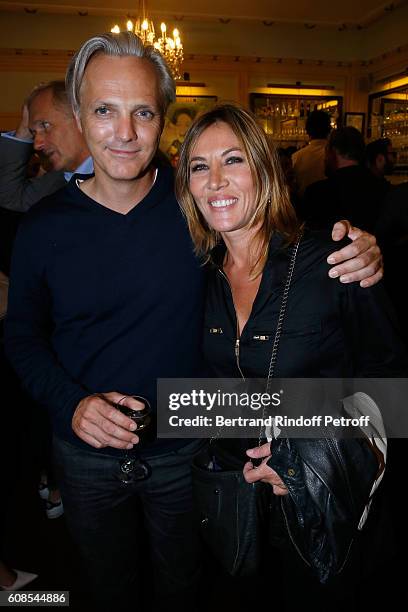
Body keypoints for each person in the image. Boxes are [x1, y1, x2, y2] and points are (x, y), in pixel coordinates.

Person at [4, 32, 383, 611]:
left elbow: (351, 361)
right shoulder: (42, 229)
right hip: (87, 454)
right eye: (105, 110)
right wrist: (70, 403)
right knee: (104, 590)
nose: (124, 132)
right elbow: (23, 336)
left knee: (189, 588)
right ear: (81, 115)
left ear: (161, 121)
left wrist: (361, 252)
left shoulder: (196, 217)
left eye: (143, 112)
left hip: (191, 450)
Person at [175, 103, 407, 610]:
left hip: (328, 508)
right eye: (198, 166)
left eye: (232, 160)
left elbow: (391, 387)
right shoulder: (198, 278)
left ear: (262, 169)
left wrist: (305, 461)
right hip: (237, 508)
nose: (215, 181)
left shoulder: (334, 259)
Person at [0, 80, 91, 213]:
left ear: (78, 117)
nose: (36, 145)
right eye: (33, 133)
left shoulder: (121, 173)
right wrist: (24, 129)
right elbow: (10, 197)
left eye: (44, 125)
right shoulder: (55, 181)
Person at [301, 126, 387, 234]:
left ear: (332, 152)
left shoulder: (317, 193)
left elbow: (308, 240)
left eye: (326, 152)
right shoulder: (384, 189)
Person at [291, 109, 331, 196]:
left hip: (303, 206)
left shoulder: (296, 156)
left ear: (307, 130)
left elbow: (293, 186)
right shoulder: (334, 155)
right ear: (329, 129)